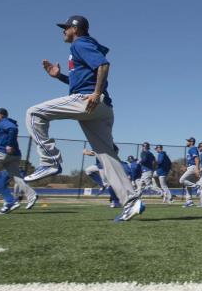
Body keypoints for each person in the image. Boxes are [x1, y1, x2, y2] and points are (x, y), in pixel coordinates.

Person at [23, 15, 142, 222]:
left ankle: (50, 160)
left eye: (65, 28)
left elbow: (103, 65)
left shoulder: (80, 44)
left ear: (75, 29)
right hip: (101, 106)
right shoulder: (84, 46)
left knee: (33, 113)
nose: (63, 31)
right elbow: (83, 78)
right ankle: (131, 202)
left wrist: (95, 93)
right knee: (107, 156)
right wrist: (59, 76)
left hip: (89, 100)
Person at [0, 108, 38, 210]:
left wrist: (9, 144)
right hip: (14, 155)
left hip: (4, 152)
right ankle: (31, 195)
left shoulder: (3, 122)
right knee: (18, 178)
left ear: (1, 115)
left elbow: (13, 129)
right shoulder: (3, 125)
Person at [178, 137, 199, 206]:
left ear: (191, 142)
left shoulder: (192, 149)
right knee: (188, 186)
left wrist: (197, 168)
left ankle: (197, 186)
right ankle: (189, 201)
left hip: (193, 168)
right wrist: (187, 167)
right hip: (191, 167)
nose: (187, 142)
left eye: (188, 141)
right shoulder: (191, 149)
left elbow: (196, 158)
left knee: (182, 180)